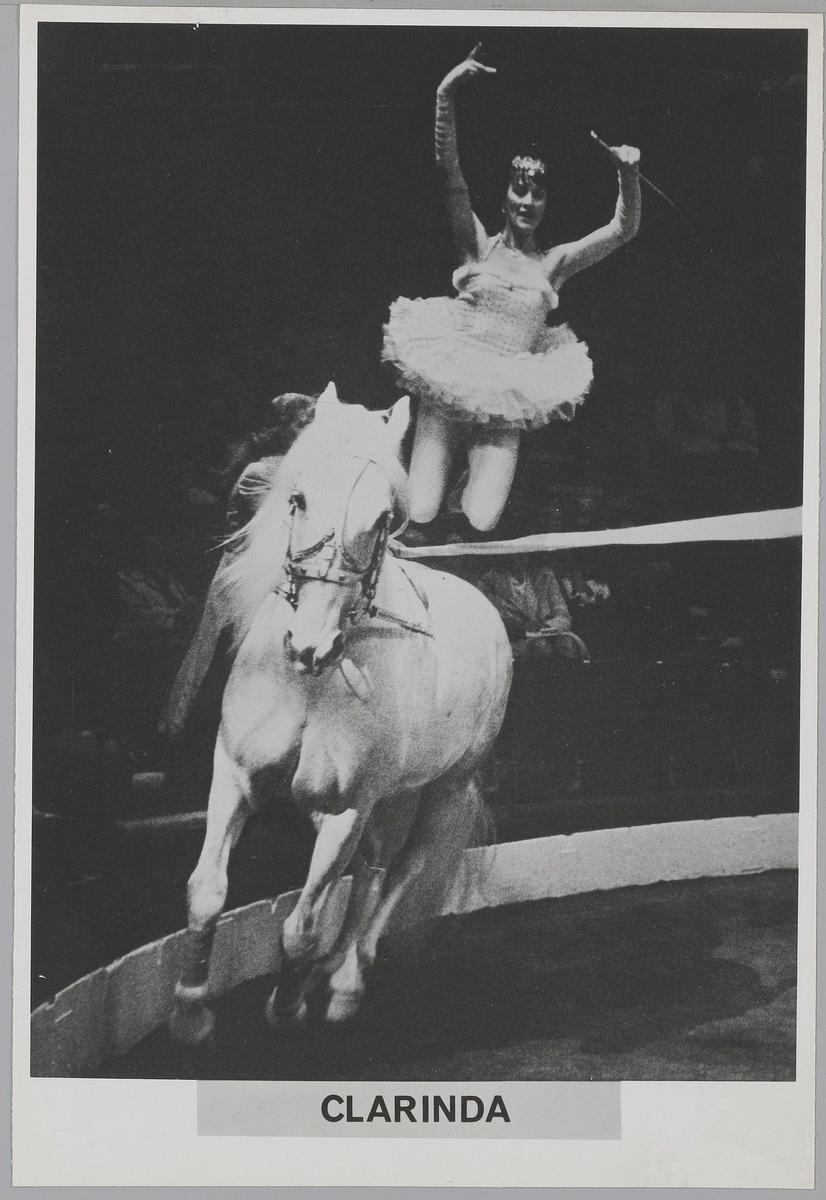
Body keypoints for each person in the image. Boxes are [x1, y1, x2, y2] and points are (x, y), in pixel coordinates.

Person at [383, 44, 641, 543]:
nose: (527, 200)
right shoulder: (477, 245)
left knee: (481, 519)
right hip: (451, 382)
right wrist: (445, 93)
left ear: (547, 202)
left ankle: (465, 486)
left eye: (537, 193)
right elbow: (448, 169)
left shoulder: (554, 264)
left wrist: (627, 175)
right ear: (505, 195)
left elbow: (622, 230)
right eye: (519, 190)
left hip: (507, 396)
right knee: (420, 511)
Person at [160, 391, 317, 738]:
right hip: (243, 580)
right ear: (283, 430)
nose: (311, 431)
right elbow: (281, 530)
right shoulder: (260, 473)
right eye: (303, 423)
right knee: (218, 662)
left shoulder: (306, 471)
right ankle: (183, 735)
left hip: (275, 579)